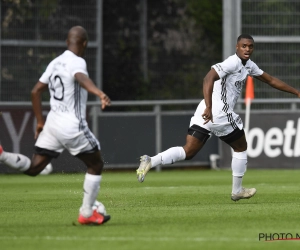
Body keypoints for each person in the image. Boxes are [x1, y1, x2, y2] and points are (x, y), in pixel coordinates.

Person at [136, 34, 300, 201]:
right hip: (217, 111)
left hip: (207, 111)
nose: (247, 49)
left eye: (250, 46)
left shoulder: (248, 65)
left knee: (189, 151)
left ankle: (151, 160)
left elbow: (270, 80)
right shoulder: (232, 62)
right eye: (244, 46)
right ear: (237, 47)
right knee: (241, 147)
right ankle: (237, 191)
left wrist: (296, 92)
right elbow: (208, 78)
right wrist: (209, 106)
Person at [0, 26, 111, 224]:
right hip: (71, 125)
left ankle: (2, 155)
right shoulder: (78, 61)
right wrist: (99, 93)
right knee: (96, 164)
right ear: (84, 43)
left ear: (67, 42)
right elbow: (81, 77)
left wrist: (40, 121)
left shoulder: (55, 63)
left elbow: (35, 92)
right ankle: (87, 213)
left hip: (52, 124)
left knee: (35, 168)